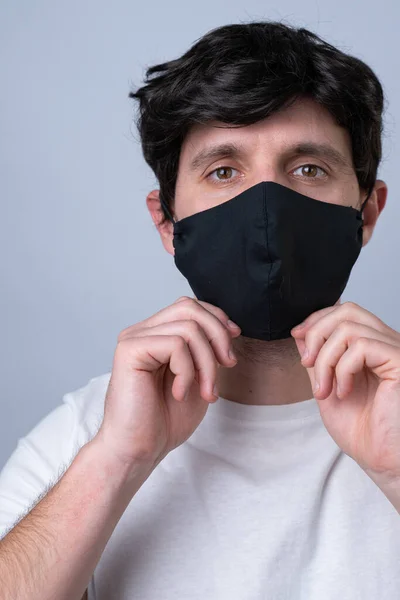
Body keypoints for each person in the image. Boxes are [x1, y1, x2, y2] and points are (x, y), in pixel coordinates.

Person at [0, 19, 399, 600]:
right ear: (167, 223)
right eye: (223, 171)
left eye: (308, 169)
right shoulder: (88, 434)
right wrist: (119, 459)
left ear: (366, 213)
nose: (265, 207)